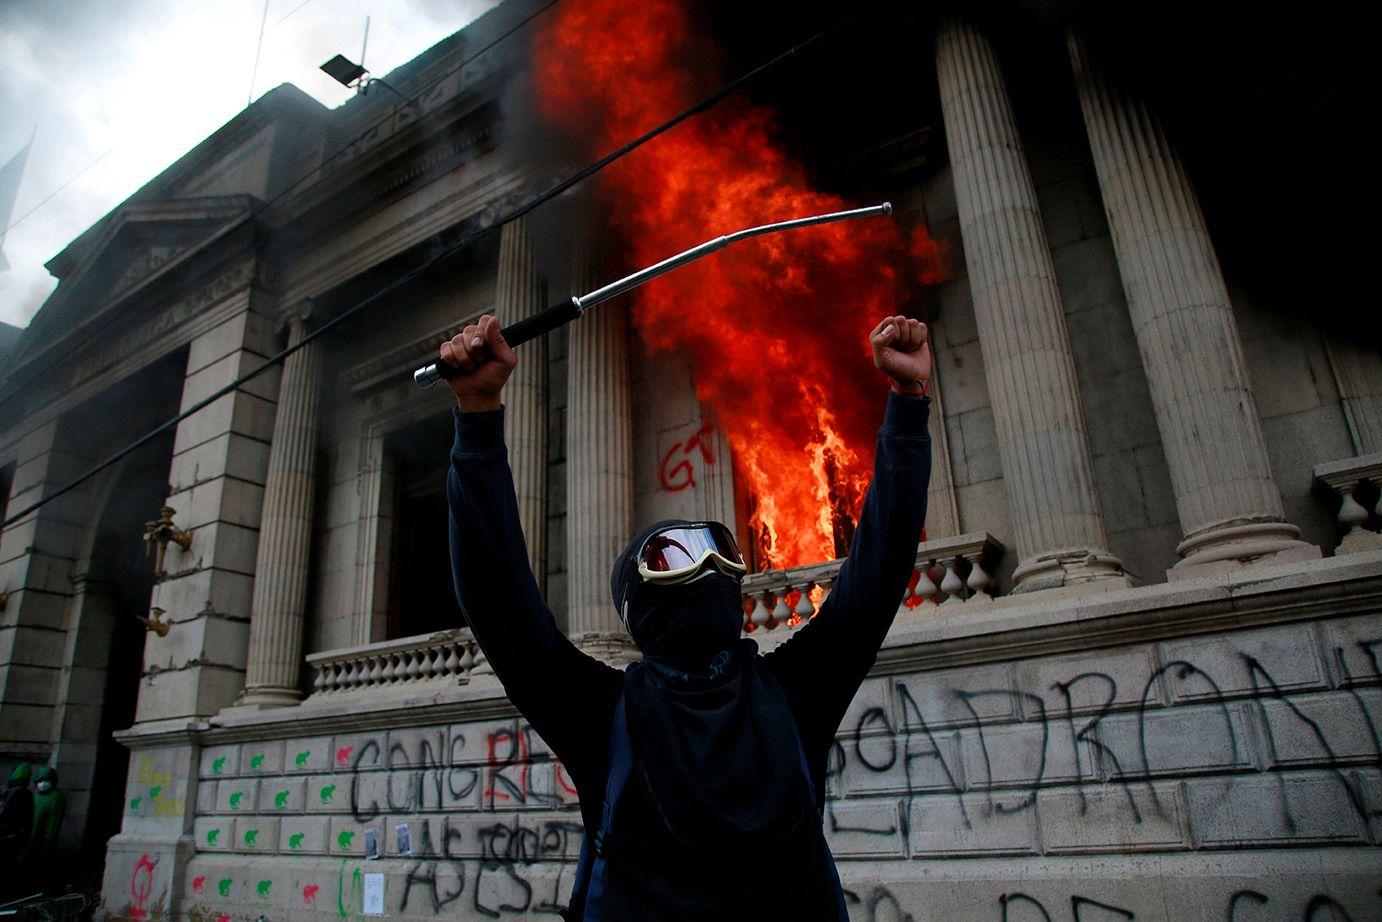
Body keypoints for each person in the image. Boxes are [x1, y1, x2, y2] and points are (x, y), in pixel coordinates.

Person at [442, 312, 932, 920]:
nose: (705, 567)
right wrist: (476, 416)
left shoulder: (793, 691)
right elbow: (498, 598)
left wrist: (908, 403)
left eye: (720, 550)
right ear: (636, 601)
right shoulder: (602, 714)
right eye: (671, 556)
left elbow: (880, 568)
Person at [27, 765, 66, 895]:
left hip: (43, 840)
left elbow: (53, 823)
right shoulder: (35, 797)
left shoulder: (56, 797)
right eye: (40, 781)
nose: (43, 784)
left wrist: (48, 840)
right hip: (30, 838)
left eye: (46, 780)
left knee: (42, 865)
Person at [0, 763, 34, 900]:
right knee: (7, 871)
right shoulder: (25, 794)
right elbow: (27, 820)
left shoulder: (4, 791)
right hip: (11, 839)